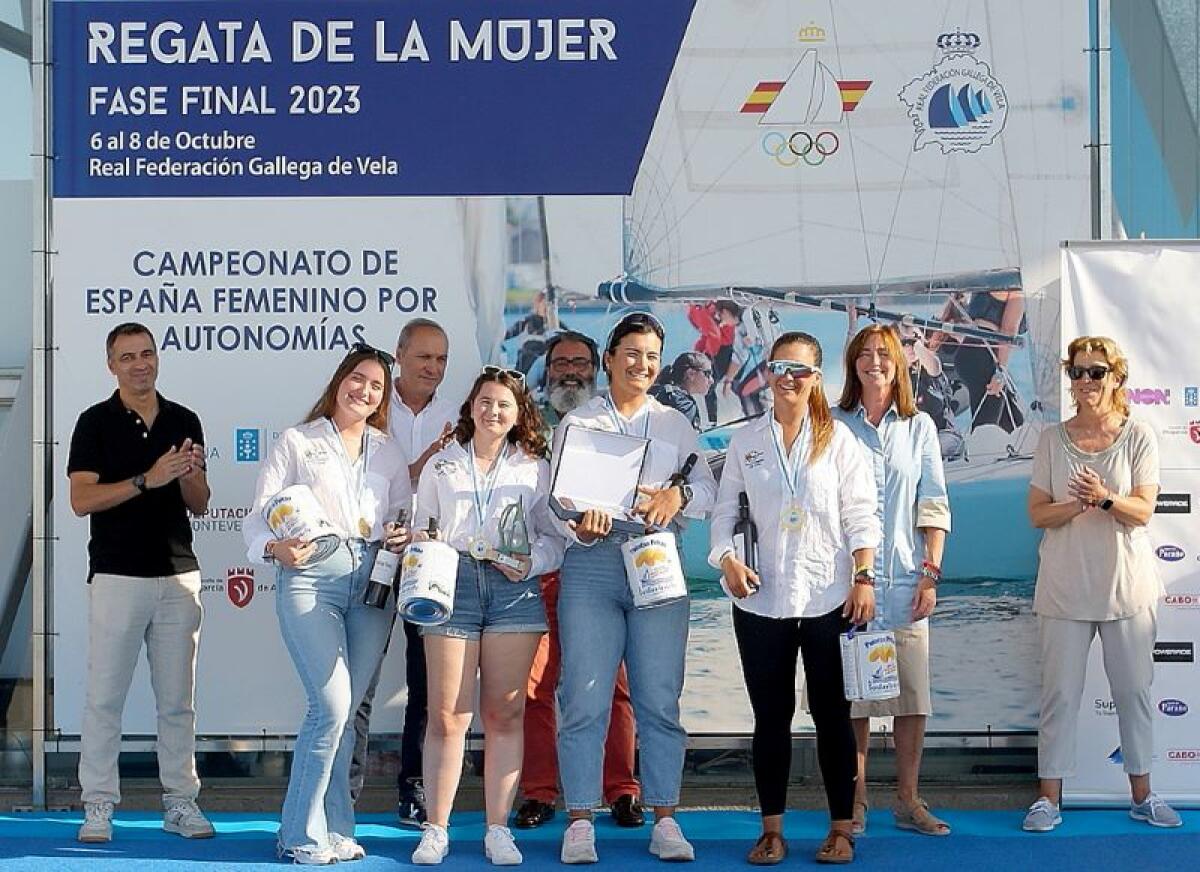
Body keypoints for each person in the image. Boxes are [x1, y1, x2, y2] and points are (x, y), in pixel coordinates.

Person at [710, 331, 880, 865]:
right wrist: (725, 560)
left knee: (832, 715)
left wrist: (865, 576)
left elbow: (861, 514)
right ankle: (772, 830)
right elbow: (722, 515)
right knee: (771, 716)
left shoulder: (841, 441)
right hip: (761, 602)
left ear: (816, 378)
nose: (788, 378)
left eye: (800, 370)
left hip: (829, 596)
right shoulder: (746, 442)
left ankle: (840, 829)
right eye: (779, 367)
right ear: (768, 372)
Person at [553, 312, 717, 864]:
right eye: (632, 353)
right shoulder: (577, 422)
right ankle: (579, 819)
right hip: (592, 562)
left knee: (659, 697)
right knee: (584, 696)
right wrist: (573, 523)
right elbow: (551, 503)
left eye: (651, 356)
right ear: (609, 358)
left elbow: (708, 488)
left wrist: (680, 499)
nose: (642, 364)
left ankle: (665, 817)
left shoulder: (676, 425)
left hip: (657, 560)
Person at [244, 343, 411, 864]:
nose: (364, 390)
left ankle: (337, 826)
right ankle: (298, 835)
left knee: (346, 714)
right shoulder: (298, 440)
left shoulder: (388, 450)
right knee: (330, 707)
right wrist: (274, 548)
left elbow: (403, 511)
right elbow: (257, 516)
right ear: (340, 380)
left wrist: (401, 535)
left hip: (374, 582)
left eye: (377, 386)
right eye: (358, 379)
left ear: (384, 397)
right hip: (312, 575)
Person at [1022, 336, 1181, 833]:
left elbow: (1144, 510)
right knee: (1060, 696)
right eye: (1077, 372)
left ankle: (1143, 794)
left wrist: (1107, 499)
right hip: (1064, 589)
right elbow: (1037, 513)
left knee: (1133, 692)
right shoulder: (1051, 438)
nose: (1085, 381)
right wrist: (1079, 505)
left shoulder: (1139, 435)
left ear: (1116, 378)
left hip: (1126, 589)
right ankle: (1049, 799)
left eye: (1095, 372)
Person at [409, 367, 564, 866]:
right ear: (470, 405)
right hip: (451, 585)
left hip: (513, 591)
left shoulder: (534, 469)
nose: (492, 411)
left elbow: (553, 540)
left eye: (503, 404)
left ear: (519, 415)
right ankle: (436, 827)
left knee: (504, 713)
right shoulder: (442, 465)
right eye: (484, 401)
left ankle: (498, 828)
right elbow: (422, 527)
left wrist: (529, 563)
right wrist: (424, 542)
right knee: (448, 715)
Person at [68, 322, 214, 844]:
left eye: (147, 354)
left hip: (179, 574)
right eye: (127, 356)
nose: (139, 364)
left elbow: (200, 502)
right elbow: (81, 499)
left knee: (178, 701)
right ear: (112, 365)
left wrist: (188, 472)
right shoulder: (94, 422)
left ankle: (180, 801)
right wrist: (145, 480)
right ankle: (98, 805)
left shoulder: (184, 418)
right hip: (115, 575)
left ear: (158, 358)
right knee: (105, 698)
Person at [516, 331, 643, 830]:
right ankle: (540, 792)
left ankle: (623, 790)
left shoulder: (616, 421)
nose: (571, 370)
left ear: (600, 367)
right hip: (545, 569)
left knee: (613, 685)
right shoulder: (523, 427)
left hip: (604, 567)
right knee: (535, 688)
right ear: (546, 370)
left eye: (581, 362)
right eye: (561, 362)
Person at [835, 325, 953, 837]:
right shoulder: (834, 425)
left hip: (906, 581)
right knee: (854, 699)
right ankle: (854, 800)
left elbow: (933, 501)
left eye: (883, 354)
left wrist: (930, 573)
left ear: (899, 363)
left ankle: (907, 799)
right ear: (851, 364)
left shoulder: (919, 426)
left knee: (912, 697)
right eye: (864, 354)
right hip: (849, 583)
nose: (874, 362)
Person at [350, 318, 459, 827]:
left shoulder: (460, 414)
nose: (433, 368)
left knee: (426, 680)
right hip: (373, 552)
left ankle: (415, 788)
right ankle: (342, 792)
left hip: (429, 560)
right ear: (399, 356)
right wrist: (425, 461)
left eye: (440, 359)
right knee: (359, 682)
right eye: (424, 357)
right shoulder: (368, 406)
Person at [650, 351, 714, 431]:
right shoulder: (684, 404)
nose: (711, 380)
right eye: (707, 374)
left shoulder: (657, 391)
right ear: (691, 374)